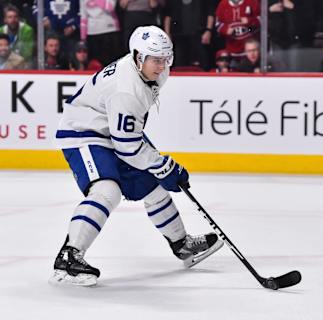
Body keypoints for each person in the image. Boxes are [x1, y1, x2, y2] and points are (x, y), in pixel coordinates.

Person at [50, 25, 223, 287]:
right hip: (84, 132)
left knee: (153, 186)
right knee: (107, 191)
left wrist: (159, 168)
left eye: (166, 58)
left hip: (111, 130)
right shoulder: (126, 89)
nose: (162, 65)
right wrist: (164, 165)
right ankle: (69, 256)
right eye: (155, 59)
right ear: (138, 57)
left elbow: (128, 135)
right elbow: (127, 146)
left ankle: (181, 244)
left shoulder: (150, 72)